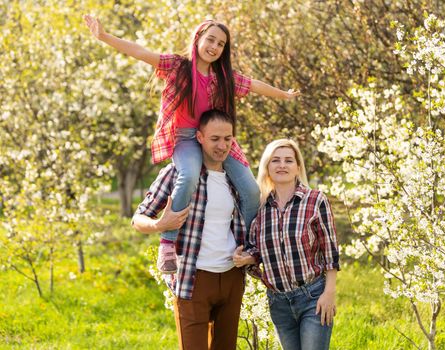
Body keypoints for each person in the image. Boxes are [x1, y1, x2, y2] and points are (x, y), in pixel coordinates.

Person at [83, 15, 300, 273]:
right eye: (210, 39)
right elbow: (141, 52)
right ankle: (168, 242)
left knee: (251, 189)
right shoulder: (178, 66)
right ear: (198, 39)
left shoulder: (224, 77)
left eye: (220, 44)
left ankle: (250, 247)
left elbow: (253, 85)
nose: (214, 47)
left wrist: (283, 94)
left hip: (216, 139)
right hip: (186, 137)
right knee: (187, 176)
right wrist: (104, 36)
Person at [132, 109, 247, 350]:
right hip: (193, 279)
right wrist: (160, 225)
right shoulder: (178, 174)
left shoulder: (237, 178)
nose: (222, 145)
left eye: (228, 139)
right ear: (199, 137)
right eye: (215, 139)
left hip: (231, 276)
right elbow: (138, 218)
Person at [233, 139, 339, 350]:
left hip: (313, 298)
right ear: (267, 167)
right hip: (278, 303)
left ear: (298, 167)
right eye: (276, 160)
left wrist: (329, 293)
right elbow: (257, 249)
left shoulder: (315, 200)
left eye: (288, 160)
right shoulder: (260, 209)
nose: (282, 165)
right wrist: (248, 257)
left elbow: (330, 250)